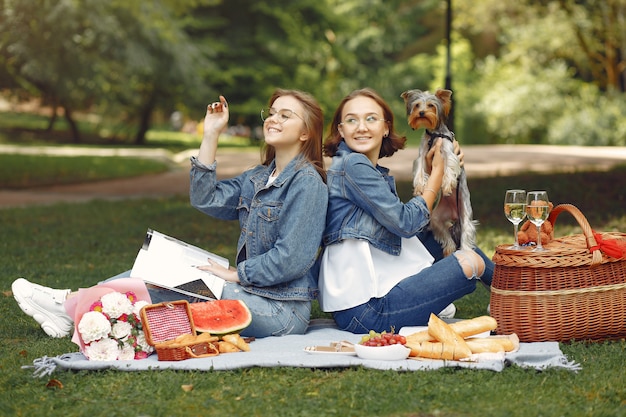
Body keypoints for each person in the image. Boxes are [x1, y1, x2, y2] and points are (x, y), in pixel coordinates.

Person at [12, 89, 328, 339]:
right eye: (271, 113)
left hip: (281, 311)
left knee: (177, 281)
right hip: (252, 293)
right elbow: (205, 198)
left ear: (305, 132)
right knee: (160, 266)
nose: (273, 119)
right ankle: (73, 304)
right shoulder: (260, 176)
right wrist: (211, 135)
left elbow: (293, 258)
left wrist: (237, 274)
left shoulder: (308, 184)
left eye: (286, 115)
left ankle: (68, 305)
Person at [318, 88, 494, 334]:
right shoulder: (352, 165)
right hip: (368, 312)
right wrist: (437, 173)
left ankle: (514, 292)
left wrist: (437, 167)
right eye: (351, 120)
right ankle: (518, 294)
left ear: (386, 127)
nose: (361, 127)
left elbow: (405, 225)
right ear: (341, 130)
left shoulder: (363, 167)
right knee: (469, 261)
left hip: (359, 307)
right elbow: (404, 223)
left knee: (448, 236)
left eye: (371, 118)